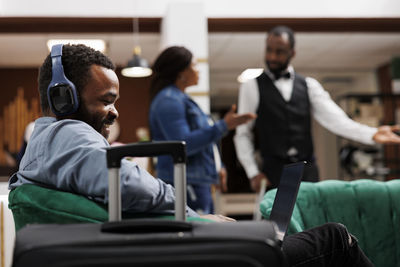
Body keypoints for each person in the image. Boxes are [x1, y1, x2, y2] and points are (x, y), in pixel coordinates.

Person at [8, 44, 373, 266]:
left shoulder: (49, 142)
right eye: (106, 101)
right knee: (337, 239)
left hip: (176, 237)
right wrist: (201, 219)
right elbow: (122, 182)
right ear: (63, 98)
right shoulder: (67, 132)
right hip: (186, 247)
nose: (115, 111)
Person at [234, 25, 400, 192]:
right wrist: (252, 172)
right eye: (269, 50)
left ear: (292, 53)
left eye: (280, 51)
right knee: (275, 218)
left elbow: (337, 121)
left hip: (307, 171)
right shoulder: (251, 86)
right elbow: (242, 134)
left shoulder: (309, 85)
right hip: (273, 172)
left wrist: (371, 133)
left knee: (312, 217)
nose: (272, 56)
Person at [149, 46, 256, 214]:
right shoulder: (169, 100)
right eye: (194, 65)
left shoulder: (181, 99)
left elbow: (204, 143)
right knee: (197, 235)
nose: (198, 70)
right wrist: (223, 126)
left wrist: (217, 167)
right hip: (185, 183)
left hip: (196, 182)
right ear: (181, 72)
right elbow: (182, 145)